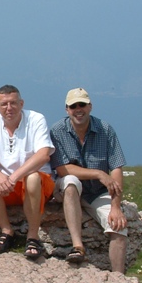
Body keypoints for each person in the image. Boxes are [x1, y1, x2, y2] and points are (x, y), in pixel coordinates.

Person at [49, 87, 128, 273]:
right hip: (71, 189)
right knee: (70, 182)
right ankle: (78, 246)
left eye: (82, 105)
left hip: (98, 193)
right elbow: (62, 168)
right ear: (67, 109)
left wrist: (116, 206)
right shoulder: (58, 131)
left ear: (90, 106)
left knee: (119, 228)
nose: (78, 109)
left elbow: (116, 168)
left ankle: (119, 279)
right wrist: (99, 174)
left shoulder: (105, 130)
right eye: (74, 106)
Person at [0, 85, 55, 260]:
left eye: (13, 103)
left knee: (32, 178)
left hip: (35, 185)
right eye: (4, 104)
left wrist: (13, 177)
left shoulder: (36, 119)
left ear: (21, 103)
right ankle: (6, 231)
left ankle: (33, 236)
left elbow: (43, 155)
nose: (9, 108)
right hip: (7, 186)